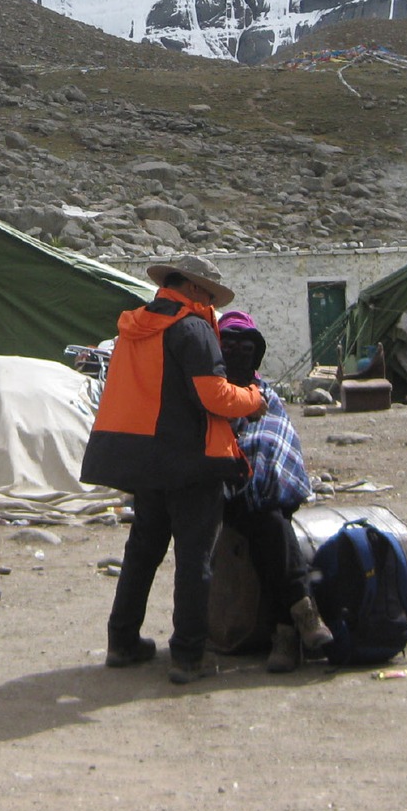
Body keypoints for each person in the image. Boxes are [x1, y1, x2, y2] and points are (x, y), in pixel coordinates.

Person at [80, 254, 263, 685]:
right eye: (209, 296)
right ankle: (187, 656)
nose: (212, 306)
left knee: (142, 552)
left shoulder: (132, 328)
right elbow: (214, 396)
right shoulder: (193, 327)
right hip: (190, 461)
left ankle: (122, 642)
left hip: (143, 460)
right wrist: (254, 399)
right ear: (196, 291)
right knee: (194, 557)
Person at [215, 311, 332, 673]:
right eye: (228, 345)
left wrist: (257, 476)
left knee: (266, 515)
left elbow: (276, 445)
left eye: (246, 346)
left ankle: (288, 630)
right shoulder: (210, 397)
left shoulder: (266, 395)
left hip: (272, 491)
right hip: (224, 494)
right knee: (267, 520)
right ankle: (300, 614)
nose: (238, 352)